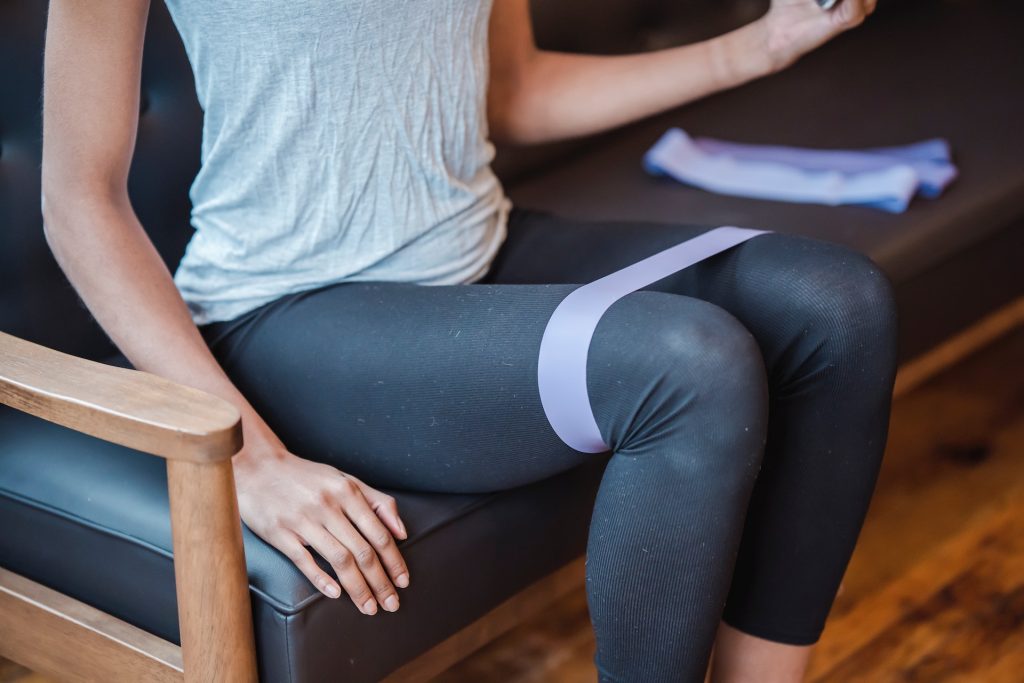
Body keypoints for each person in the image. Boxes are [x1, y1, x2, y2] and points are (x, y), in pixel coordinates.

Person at [40, 0, 894, 680]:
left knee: (837, 306)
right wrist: (247, 459)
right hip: (286, 312)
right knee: (687, 367)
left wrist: (764, 44)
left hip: (478, 249)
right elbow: (80, 203)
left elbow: (514, 92)